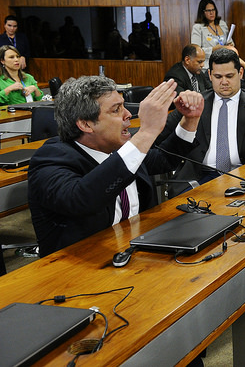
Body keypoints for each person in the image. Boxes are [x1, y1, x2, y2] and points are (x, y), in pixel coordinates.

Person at [28, 76, 204, 256]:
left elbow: (163, 160)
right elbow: (82, 199)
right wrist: (147, 132)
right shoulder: (50, 159)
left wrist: (190, 120)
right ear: (85, 124)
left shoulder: (116, 148)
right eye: (116, 110)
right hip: (81, 266)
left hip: (136, 248)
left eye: (123, 105)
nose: (128, 114)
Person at [158, 48, 245, 197]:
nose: (224, 82)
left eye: (229, 76)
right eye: (218, 76)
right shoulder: (195, 103)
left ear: (241, 74)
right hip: (200, 178)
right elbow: (160, 136)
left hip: (244, 176)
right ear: (210, 75)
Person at [191, 0, 233, 65]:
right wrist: (213, 49)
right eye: (208, 10)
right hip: (208, 65)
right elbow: (195, 51)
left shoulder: (222, 24)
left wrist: (230, 45)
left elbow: (230, 41)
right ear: (202, 12)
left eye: (213, 10)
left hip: (225, 62)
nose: (211, 13)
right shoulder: (198, 27)